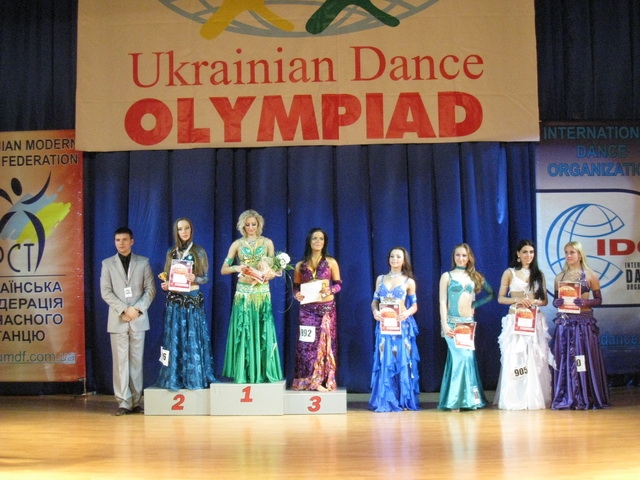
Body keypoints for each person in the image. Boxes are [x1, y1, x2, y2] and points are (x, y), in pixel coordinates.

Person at [221, 209, 284, 383]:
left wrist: (270, 274)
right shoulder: (237, 244)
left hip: (262, 292)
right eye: (247, 225)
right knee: (245, 330)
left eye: (253, 224)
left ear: (259, 225)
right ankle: (244, 372)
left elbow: (274, 268)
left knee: (263, 329)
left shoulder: (267, 243)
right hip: (243, 293)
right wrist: (237, 267)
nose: (250, 227)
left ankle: (263, 371)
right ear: (242, 226)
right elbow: (224, 269)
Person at [100, 227, 156, 416]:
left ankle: (135, 401)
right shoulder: (107, 264)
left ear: (132, 241)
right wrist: (124, 309)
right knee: (120, 363)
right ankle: (123, 402)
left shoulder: (143, 262)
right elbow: (105, 291)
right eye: (118, 240)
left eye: (124, 239)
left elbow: (150, 289)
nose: (121, 243)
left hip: (138, 318)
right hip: (118, 319)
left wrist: (136, 310)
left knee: (136, 362)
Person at [156, 218, 216, 391]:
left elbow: (206, 278)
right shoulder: (171, 252)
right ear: (176, 231)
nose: (184, 232)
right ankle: (174, 376)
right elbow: (167, 275)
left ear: (191, 229)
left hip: (192, 301)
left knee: (193, 338)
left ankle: (195, 377)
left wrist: (195, 278)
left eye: (187, 228)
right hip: (175, 302)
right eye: (180, 229)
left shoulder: (199, 251)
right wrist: (166, 285)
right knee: (174, 339)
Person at [494, 240, 554, 410]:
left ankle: (533, 396)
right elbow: (500, 298)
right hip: (516, 319)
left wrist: (533, 301)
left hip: (534, 320)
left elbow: (544, 301)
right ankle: (516, 397)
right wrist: (517, 300)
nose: (529, 255)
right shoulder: (509, 273)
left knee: (534, 356)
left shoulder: (539, 274)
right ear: (518, 254)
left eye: (531, 252)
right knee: (516, 355)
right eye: (525, 252)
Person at [551, 241, 609, 410]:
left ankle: (585, 394)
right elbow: (556, 300)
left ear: (580, 254)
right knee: (565, 359)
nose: (569, 255)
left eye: (572, 252)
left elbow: (598, 300)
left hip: (583, 323)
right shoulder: (559, 277)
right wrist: (557, 302)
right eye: (566, 252)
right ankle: (567, 395)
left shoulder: (590, 275)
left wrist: (586, 302)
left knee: (581, 358)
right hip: (565, 323)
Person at [438, 243, 494, 411]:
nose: (461, 258)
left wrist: (475, 305)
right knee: (459, 359)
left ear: (469, 257)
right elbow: (442, 301)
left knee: (467, 359)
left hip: (467, 324)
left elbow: (491, 293)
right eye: (458, 255)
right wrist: (444, 324)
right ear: (453, 257)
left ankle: (470, 399)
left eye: (464, 255)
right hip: (451, 323)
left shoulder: (475, 276)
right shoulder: (447, 276)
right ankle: (455, 401)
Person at [369, 247, 420, 412]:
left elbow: (414, 306)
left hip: (402, 325)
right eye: (392, 256)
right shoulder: (381, 279)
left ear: (404, 260)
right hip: (384, 325)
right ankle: (386, 399)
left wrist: (406, 313)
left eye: (398, 256)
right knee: (385, 360)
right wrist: (375, 312)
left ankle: (403, 400)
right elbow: (374, 301)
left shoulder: (408, 281)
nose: (395, 259)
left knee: (401, 360)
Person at [292, 228, 342, 391]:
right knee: (306, 345)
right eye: (315, 238)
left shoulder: (331, 262)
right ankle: (308, 381)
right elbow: (295, 288)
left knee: (324, 344)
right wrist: (297, 295)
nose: (318, 241)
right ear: (309, 241)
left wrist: (330, 290)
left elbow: (338, 285)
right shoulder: (300, 265)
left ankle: (323, 380)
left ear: (325, 242)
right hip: (307, 311)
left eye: (321, 238)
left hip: (326, 309)